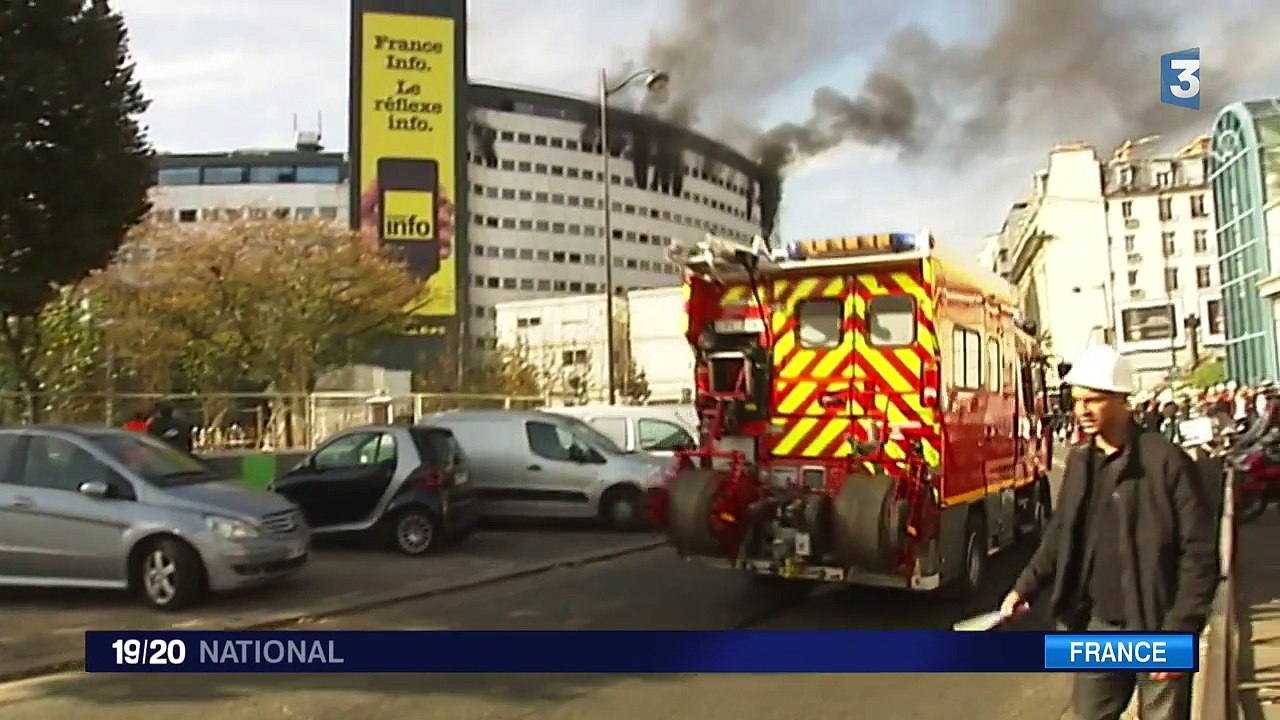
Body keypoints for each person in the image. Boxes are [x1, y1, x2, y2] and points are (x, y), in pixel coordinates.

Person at [1000, 345, 1219, 720]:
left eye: (1094, 400)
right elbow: (1059, 536)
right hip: (1098, 626)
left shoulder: (1165, 462)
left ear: (1122, 400)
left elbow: (1198, 555)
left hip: (1157, 625)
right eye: (1077, 400)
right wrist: (1025, 587)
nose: (1081, 410)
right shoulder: (1081, 462)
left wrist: (1180, 630)